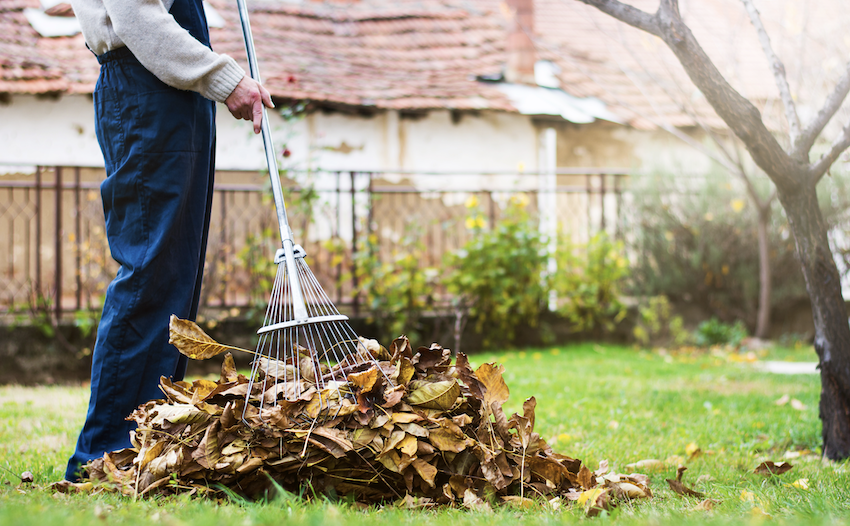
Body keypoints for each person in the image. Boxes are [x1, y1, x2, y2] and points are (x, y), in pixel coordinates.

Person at [65, 0, 272, 482]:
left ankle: (145, 444)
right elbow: (137, 15)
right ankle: (105, 454)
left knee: (174, 279)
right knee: (150, 273)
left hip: (171, 98)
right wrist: (227, 79)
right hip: (145, 92)